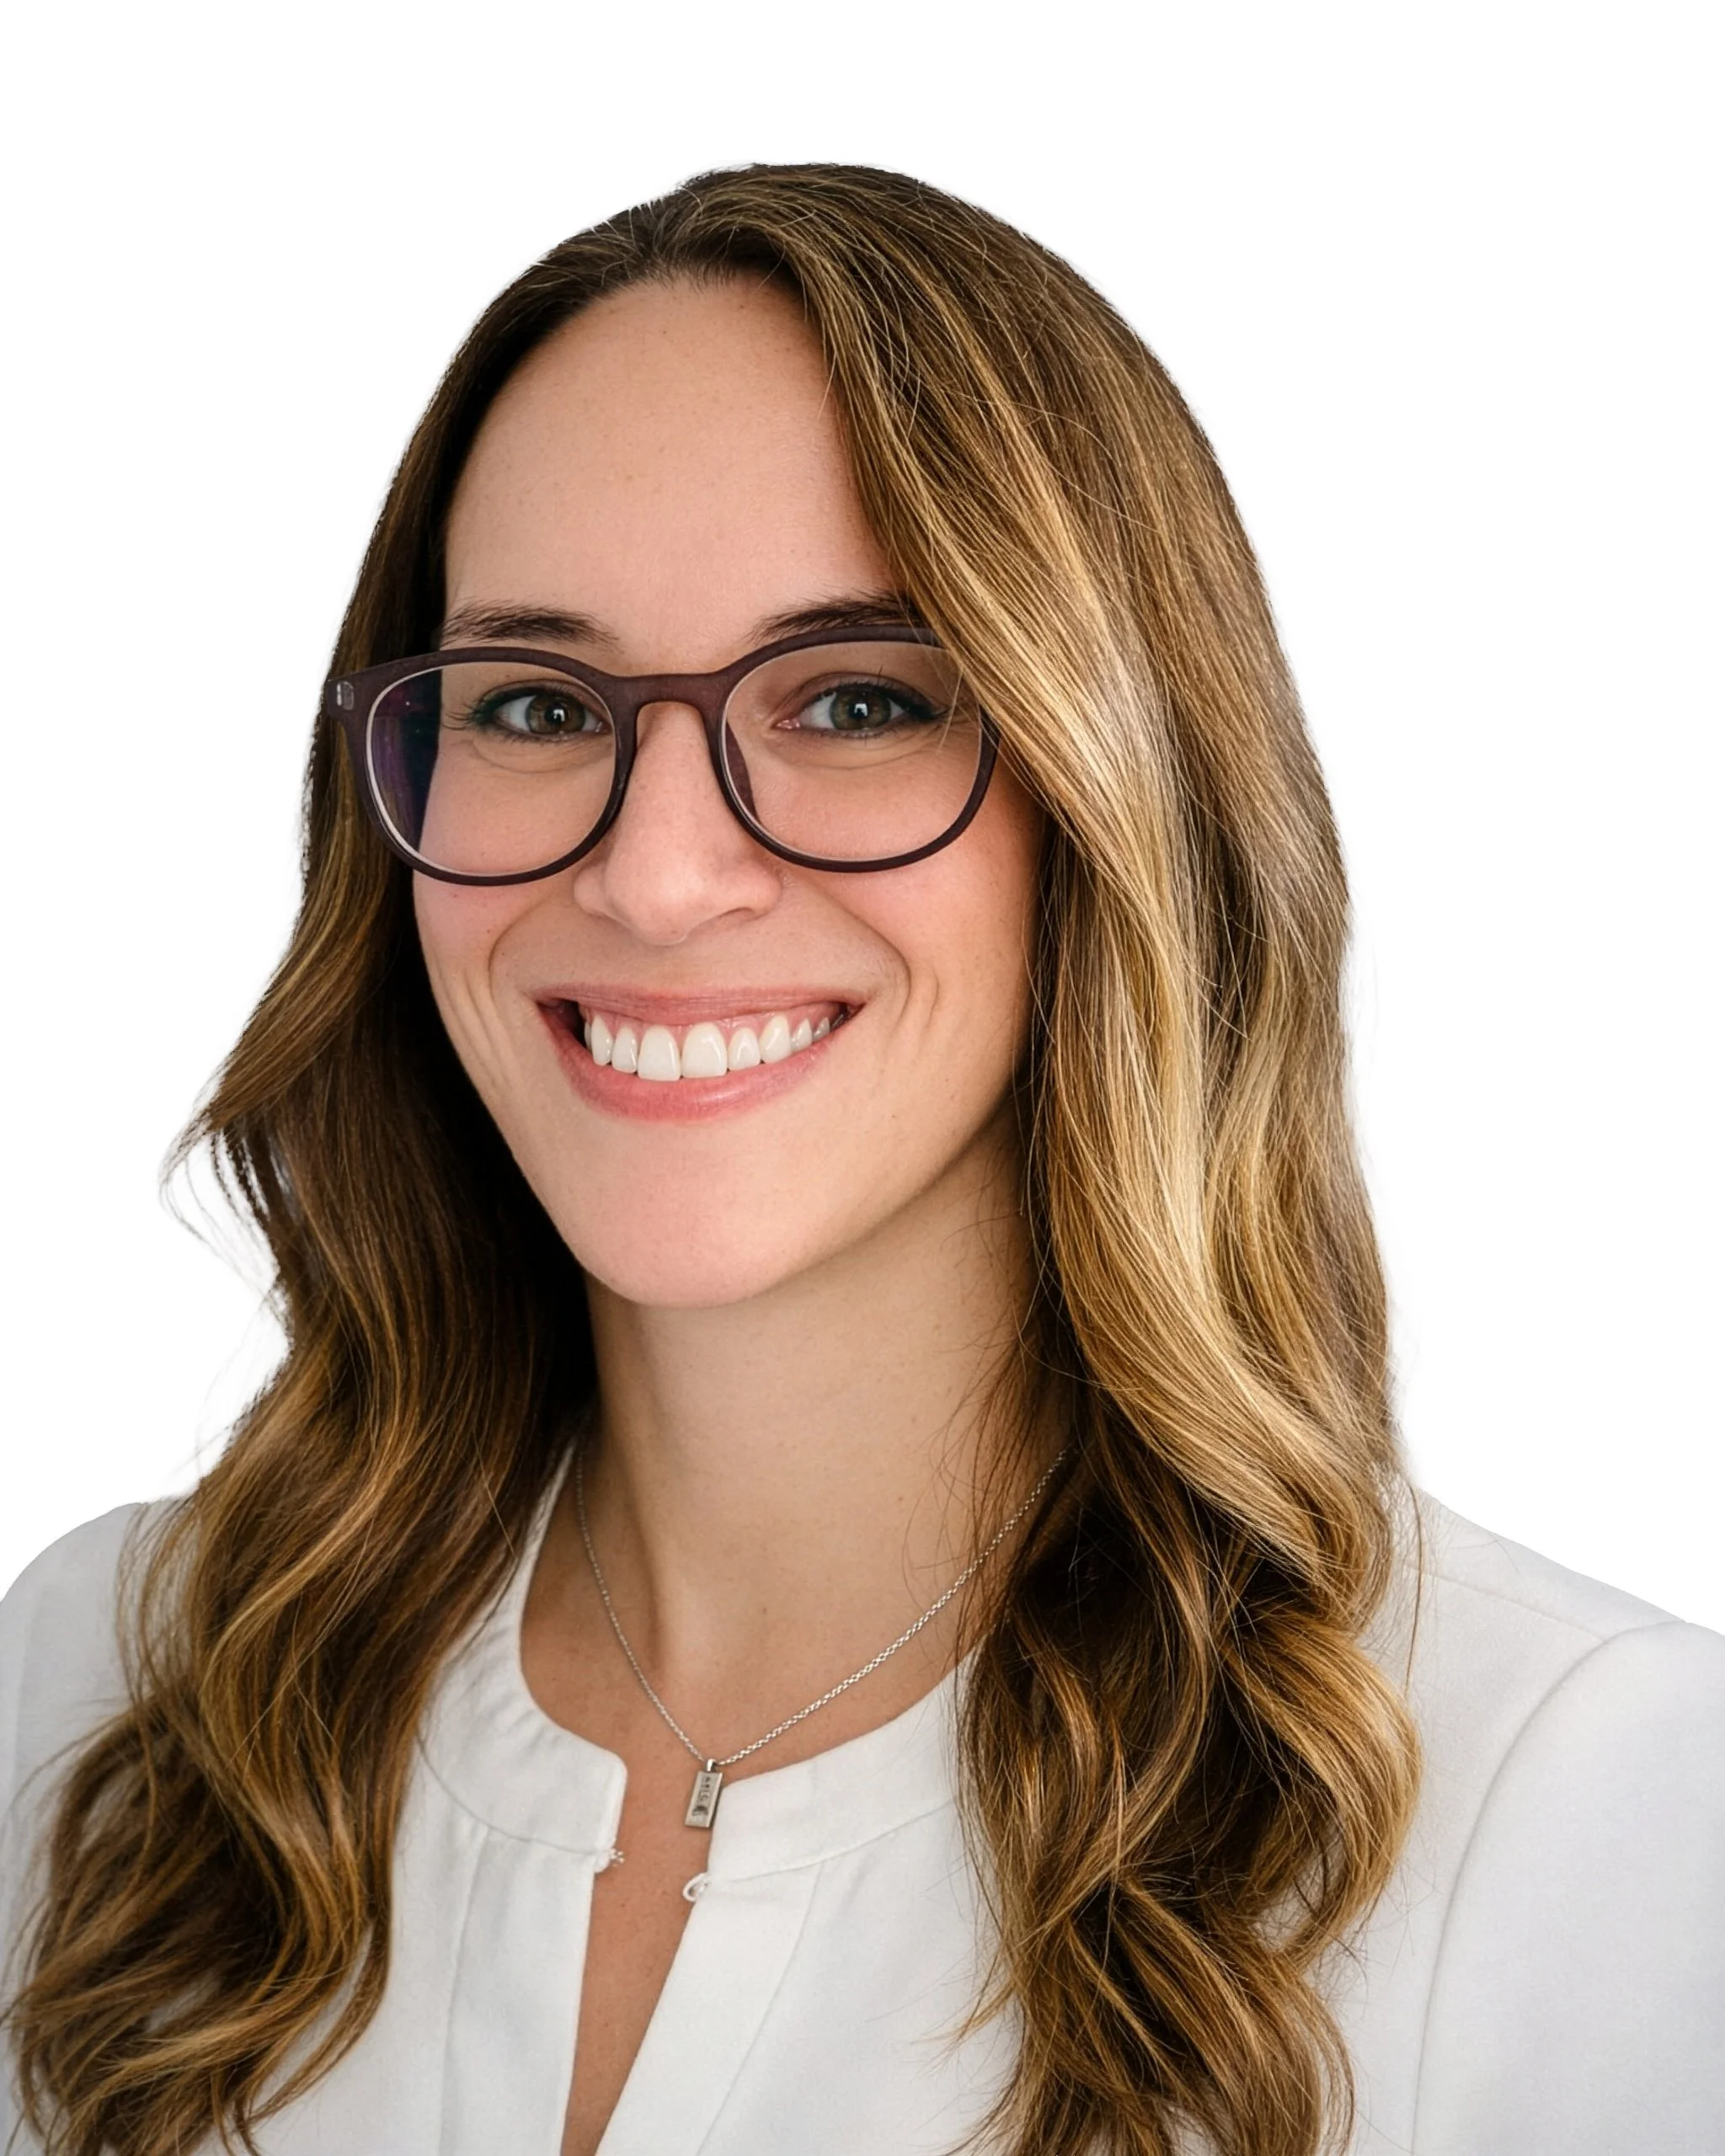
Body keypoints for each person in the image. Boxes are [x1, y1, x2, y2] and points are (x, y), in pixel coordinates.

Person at [2, 163, 1721, 2156]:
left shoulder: (1584, 1815)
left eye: (857, 698)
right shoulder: (92, 1694)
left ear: (1119, 796)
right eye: (539, 701)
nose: (650, 874)